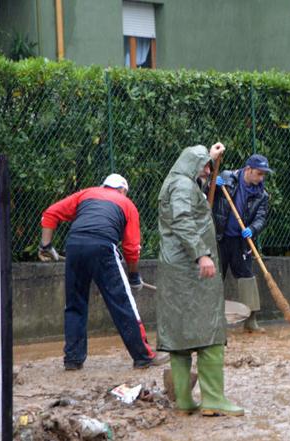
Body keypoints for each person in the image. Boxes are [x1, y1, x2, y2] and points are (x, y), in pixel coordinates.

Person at [39, 174, 168, 370]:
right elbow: (132, 248)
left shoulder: (86, 194)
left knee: (74, 303)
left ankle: (73, 359)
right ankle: (143, 356)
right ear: (123, 190)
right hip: (103, 247)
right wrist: (134, 276)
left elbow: (50, 214)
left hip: (74, 246)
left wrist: (45, 245)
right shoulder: (126, 204)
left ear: (104, 185)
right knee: (122, 303)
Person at [156, 143, 244, 417]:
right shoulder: (182, 186)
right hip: (190, 272)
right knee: (210, 333)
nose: (208, 171)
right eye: (205, 166)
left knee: (179, 334)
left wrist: (211, 155)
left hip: (176, 271)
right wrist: (201, 255)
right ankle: (214, 399)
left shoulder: (177, 181)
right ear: (192, 166)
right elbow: (183, 220)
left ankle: (184, 401)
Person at [212, 154, 272, 333]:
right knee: (214, 279)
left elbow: (261, 218)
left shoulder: (262, 195)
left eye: (263, 175)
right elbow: (207, 194)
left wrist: (252, 230)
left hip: (241, 241)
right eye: (259, 174)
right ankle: (212, 320)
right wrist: (213, 185)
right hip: (220, 237)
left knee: (247, 278)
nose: (261, 178)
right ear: (248, 170)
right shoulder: (227, 178)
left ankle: (251, 320)